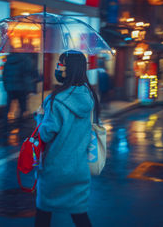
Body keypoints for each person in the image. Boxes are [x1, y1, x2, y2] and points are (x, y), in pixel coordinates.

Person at [35, 50, 99, 227]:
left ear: (68, 69)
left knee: (43, 213)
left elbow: (46, 134)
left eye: (60, 64)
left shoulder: (56, 100)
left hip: (55, 169)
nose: (58, 68)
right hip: (79, 169)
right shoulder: (89, 97)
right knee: (80, 215)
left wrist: (40, 117)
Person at [3, 53, 34, 126]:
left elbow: (4, 74)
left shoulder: (8, 61)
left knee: (8, 105)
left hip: (10, 87)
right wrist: (28, 87)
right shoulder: (24, 60)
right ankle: (21, 122)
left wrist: (6, 86)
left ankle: (5, 121)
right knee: (22, 105)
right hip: (21, 87)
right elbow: (26, 75)